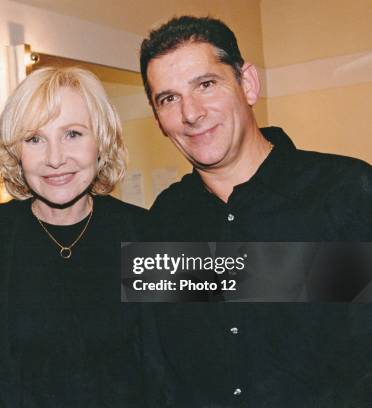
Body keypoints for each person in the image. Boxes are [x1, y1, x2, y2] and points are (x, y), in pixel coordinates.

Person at [138, 16, 372, 406]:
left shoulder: (346, 192)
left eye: (206, 85)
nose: (190, 113)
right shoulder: (164, 219)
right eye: (169, 98)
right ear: (159, 118)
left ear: (247, 83)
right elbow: (163, 365)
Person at [0, 66, 148, 407]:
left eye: (73, 134)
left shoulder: (144, 234)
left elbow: (254, 290)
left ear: (101, 141)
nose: (55, 158)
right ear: (17, 153)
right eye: (34, 139)